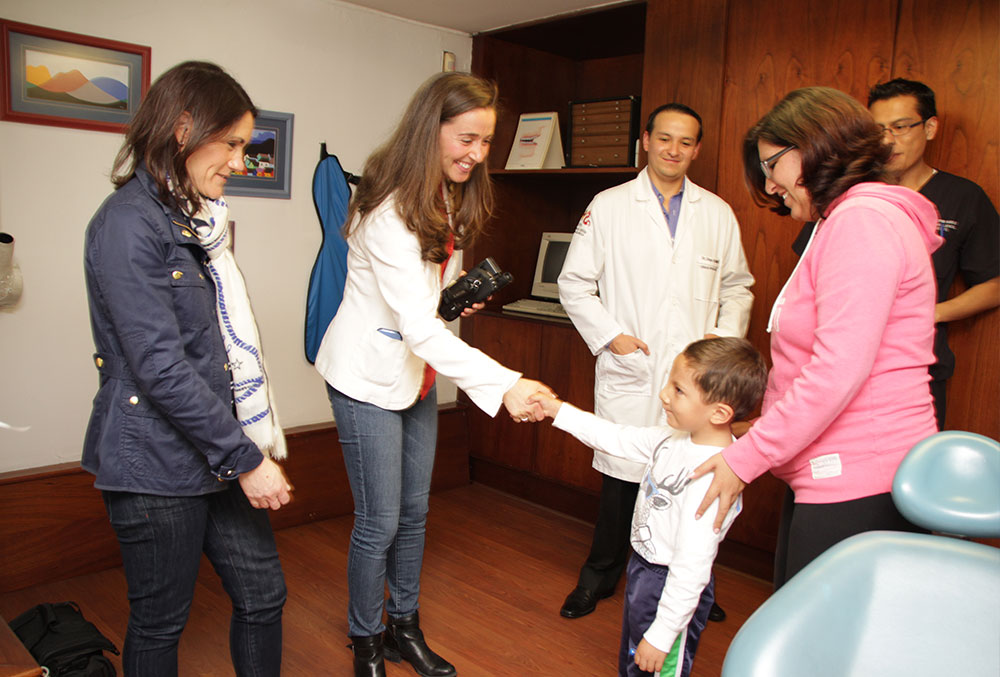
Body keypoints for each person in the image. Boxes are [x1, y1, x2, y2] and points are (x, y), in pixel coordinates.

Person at [313, 72, 553, 677]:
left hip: (413, 372)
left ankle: (403, 628)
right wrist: (506, 383)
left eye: (486, 142)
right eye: (466, 138)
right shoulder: (389, 210)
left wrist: (450, 297)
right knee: (380, 520)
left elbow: (422, 306)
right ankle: (366, 642)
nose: (476, 154)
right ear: (431, 129)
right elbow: (416, 327)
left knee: (415, 513)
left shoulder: (444, 196)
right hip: (366, 374)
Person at [82, 61, 292, 676]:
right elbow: (161, 368)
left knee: (263, 596)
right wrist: (249, 459)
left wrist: (236, 455)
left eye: (244, 147)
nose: (238, 160)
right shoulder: (126, 224)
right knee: (160, 623)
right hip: (154, 458)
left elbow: (214, 351)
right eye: (229, 144)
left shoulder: (193, 221)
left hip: (213, 450)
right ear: (182, 128)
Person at [692, 86, 941, 588]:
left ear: (816, 146)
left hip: (861, 474)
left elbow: (837, 370)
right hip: (829, 469)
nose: (771, 184)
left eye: (773, 165)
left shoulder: (862, 222)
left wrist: (747, 459)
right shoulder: (841, 220)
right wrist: (764, 425)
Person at [556, 103, 754, 620]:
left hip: (699, 379)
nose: (673, 150)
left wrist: (722, 342)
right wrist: (611, 336)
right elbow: (574, 283)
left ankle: (694, 588)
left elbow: (738, 287)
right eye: (664, 138)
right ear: (645, 140)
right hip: (636, 368)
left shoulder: (717, 213)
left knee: (696, 480)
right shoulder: (610, 205)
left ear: (697, 148)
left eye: (685, 142)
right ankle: (598, 577)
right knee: (623, 481)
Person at [530, 337, 768, 676]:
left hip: (671, 585)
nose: (664, 394)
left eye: (679, 390)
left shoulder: (713, 480)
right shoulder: (671, 440)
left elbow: (691, 568)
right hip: (643, 568)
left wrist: (662, 635)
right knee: (634, 663)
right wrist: (557, 409)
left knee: (657, 666)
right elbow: (614, 436)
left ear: (719, 412)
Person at [793, 79, 999, 429]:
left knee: (900, 478)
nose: (888, 140)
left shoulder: (963, 197)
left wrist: (928, 313)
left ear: (930, 127)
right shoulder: (848, 191)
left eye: (901, 127)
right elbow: (806, 269)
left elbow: (994, 284)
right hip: (835, 365)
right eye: (878, 130)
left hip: (913, 370)